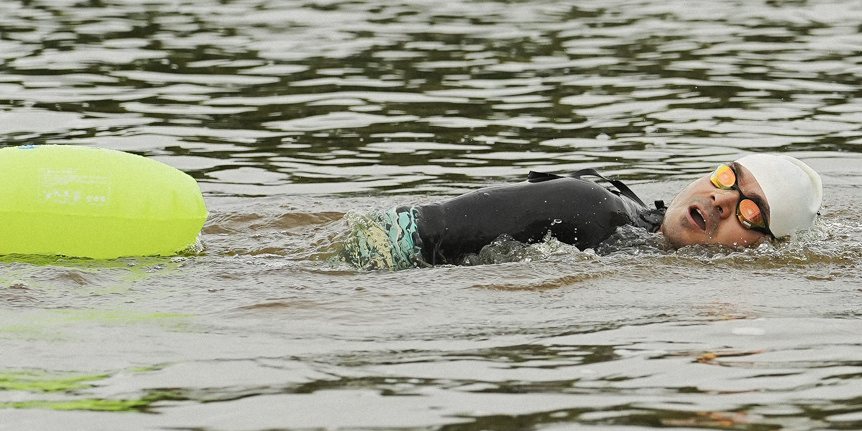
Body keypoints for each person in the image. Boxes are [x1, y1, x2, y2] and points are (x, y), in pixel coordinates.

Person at [334, 154, 825, 270]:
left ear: (770, 249)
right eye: (726, 177)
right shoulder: (585, 208)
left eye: (750, 212)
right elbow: (381, 239)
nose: (721, 199)